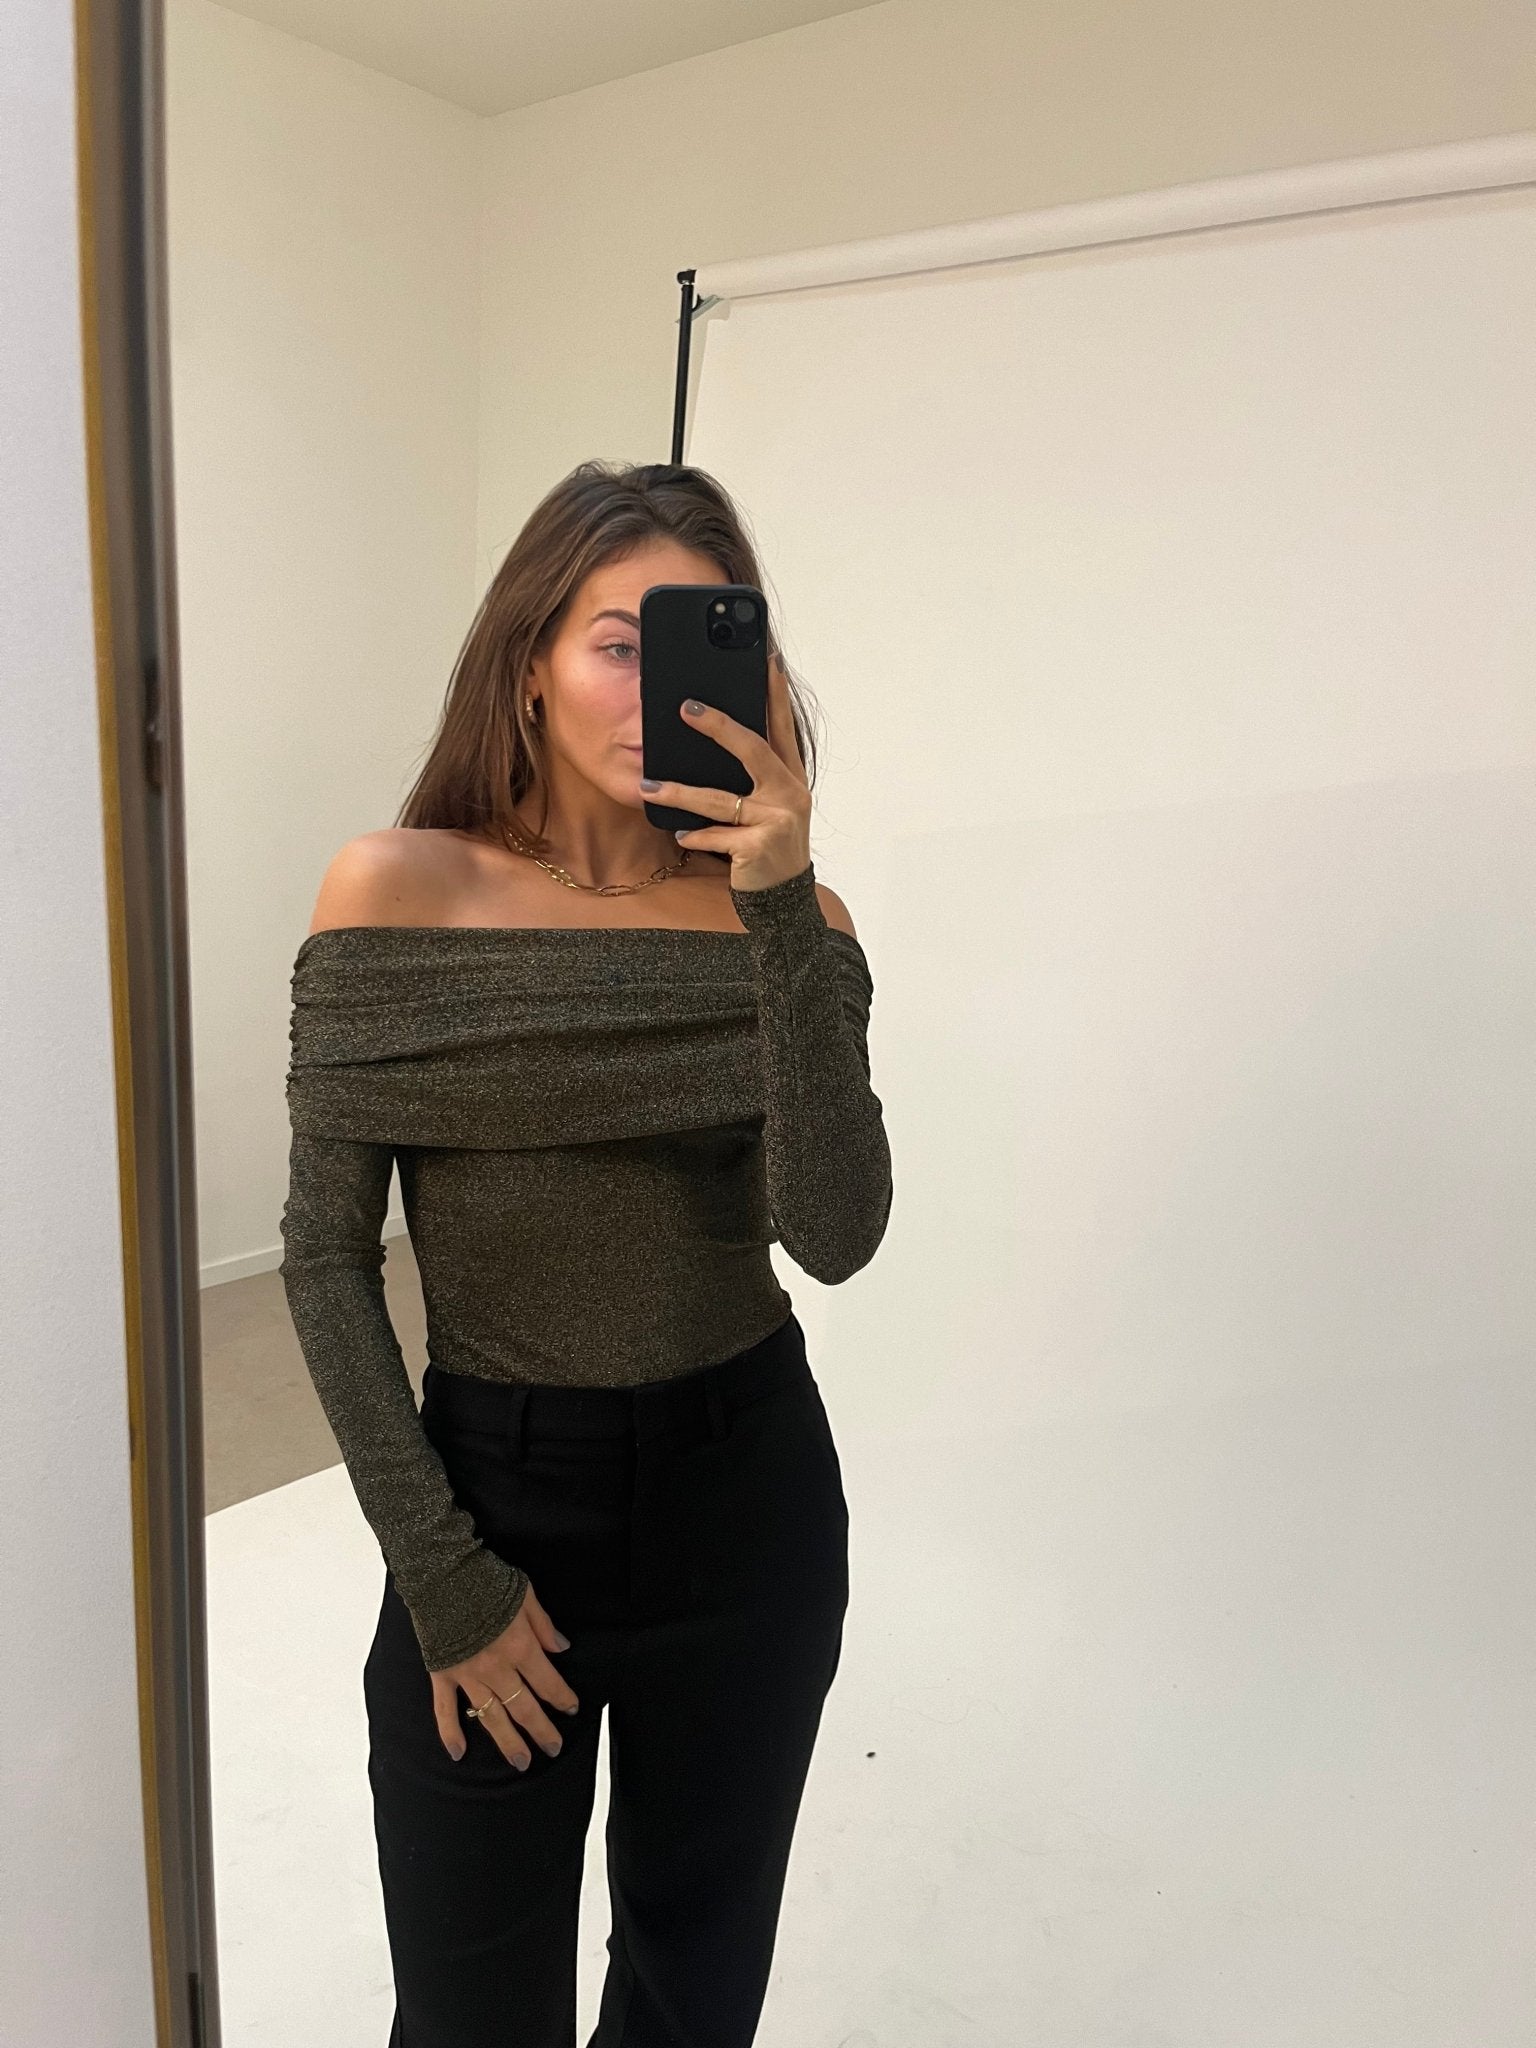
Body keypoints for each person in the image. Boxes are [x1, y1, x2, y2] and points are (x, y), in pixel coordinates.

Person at [279, 459, 894, 2047]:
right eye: (618, 642)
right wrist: (444, 1577)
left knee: (693, 2000)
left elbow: (835, 1235)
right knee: (469, 2015)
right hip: (495, 1497)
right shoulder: (396, 893)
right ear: (529, 665)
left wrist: (778, 914)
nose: (652, 687)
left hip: (745, 1506)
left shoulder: (797, 921)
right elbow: (325, 1262)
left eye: (704, 640)